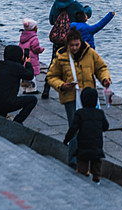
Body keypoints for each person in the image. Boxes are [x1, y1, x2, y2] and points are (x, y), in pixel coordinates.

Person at [46, 28, 111, 168]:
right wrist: (62, 85)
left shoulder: (90, 53)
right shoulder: (61, 56)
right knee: (74, 129)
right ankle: (73, 162)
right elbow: (51, 76)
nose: (74, 48)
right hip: (70, 97)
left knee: (93, 129)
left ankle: (93, 158)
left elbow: (101, 68)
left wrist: (105, 79)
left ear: (81, 42)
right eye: (72, 45)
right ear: (67, 44)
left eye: (77, 44)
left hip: (89, 97)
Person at [41, 0, 86, 99]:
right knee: (74, 63)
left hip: (58, 40)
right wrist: (87, 9)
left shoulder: (56, 5)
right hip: (72, 40)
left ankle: (46, 89)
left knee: (53, 63)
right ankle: (75, 89)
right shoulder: (75, 5)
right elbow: (85, 14)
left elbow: (51, 20)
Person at [64, 86, 109, 183]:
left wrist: (66, 139)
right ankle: (96, 178)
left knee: (82, 164)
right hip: (96, 145)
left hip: (83, 146)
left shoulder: (80, 113)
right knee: (96, 162)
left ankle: (83, 176)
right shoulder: (100, 113)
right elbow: (106, 126)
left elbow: (73, 129)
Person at [0, 45, 37, 123]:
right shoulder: (17, 68)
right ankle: (17, 122)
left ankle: (1, 119)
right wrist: (28, 63)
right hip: (6, 104)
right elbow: (30, 76)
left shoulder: (0, 64)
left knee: (4, 96)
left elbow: (14, 68)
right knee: (33, 100)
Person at [18, 18, 45, 93]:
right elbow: (35, 48)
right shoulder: (34, 37)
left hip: (24, 57)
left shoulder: (23, 36)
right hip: (32, 58)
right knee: (32, 74)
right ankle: (32, 89)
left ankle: (24, 89)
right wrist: (41, 49)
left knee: (25, 73)